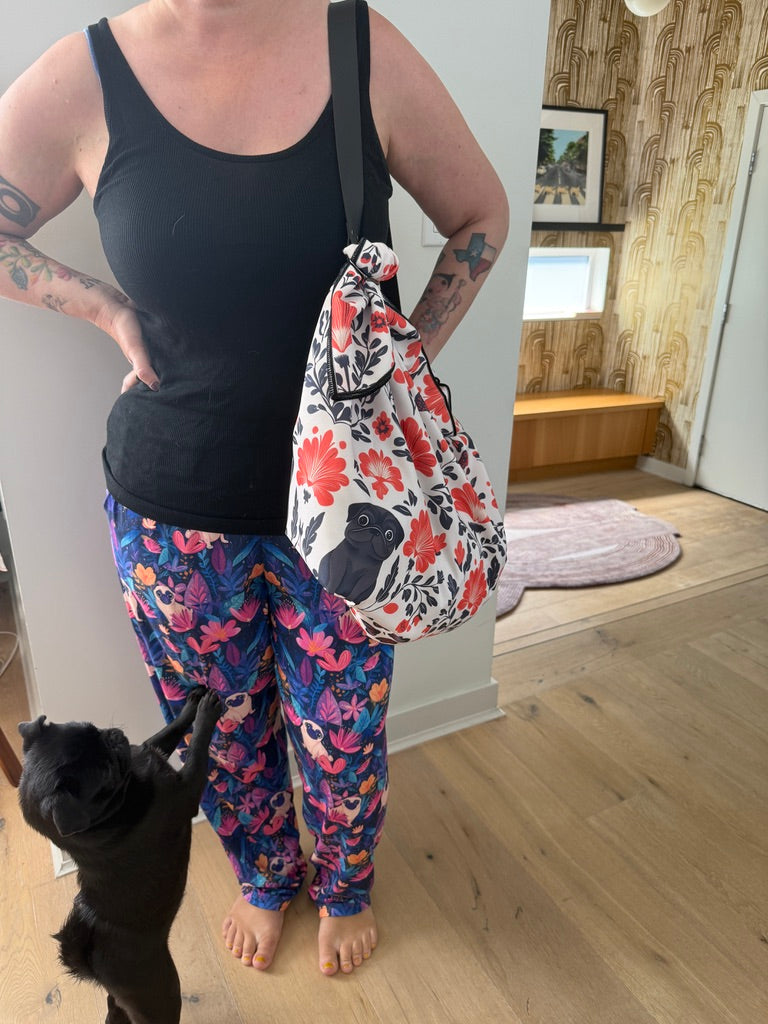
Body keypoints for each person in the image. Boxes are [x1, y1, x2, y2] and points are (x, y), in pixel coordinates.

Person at [0, 0, 508, 978]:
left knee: (344, 731)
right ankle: (267, 874)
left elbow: (479, 215)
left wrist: (397, 371)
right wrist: (103, 308)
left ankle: (346, 883)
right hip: (170, 507)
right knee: (221, 730)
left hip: (356, 514)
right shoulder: (87, 73)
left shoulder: (359, 44)